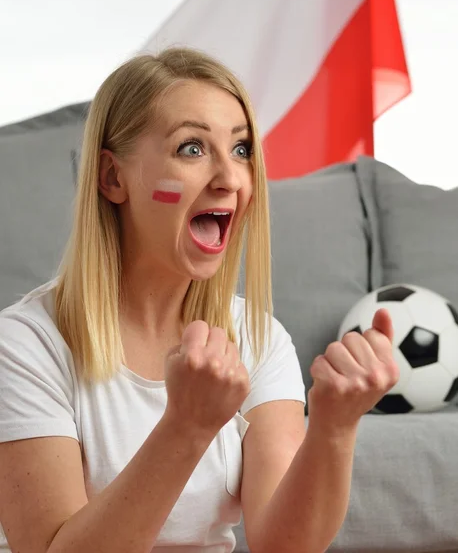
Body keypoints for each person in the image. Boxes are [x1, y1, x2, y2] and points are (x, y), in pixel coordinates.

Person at [0, 47, 399, 553]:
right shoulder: (25, 344)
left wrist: (335, 429)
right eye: (192, 148)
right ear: (112, 178)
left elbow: (284, 543)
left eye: (240, 150)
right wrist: (186, 427)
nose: (230, 179)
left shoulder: (258, 338)